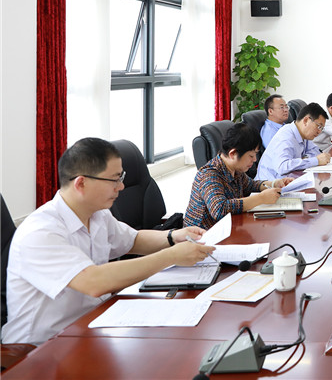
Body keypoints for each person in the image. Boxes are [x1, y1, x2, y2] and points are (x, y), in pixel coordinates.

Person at [1, 138, 214, 345]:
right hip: (40, 348)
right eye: (114, 179)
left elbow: (133, 240)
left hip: (91, 327)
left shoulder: (97, 215)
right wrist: (171, 256)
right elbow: (93, 282)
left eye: (121, 177)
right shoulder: (40, 232)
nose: (121, 187)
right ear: (81, 183)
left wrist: (172, 236)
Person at [184, 123, 287, 229]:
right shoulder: (209, 174)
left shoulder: (235, 169)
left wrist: (274, 184)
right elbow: (219, 209)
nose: (255, 159)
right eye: (251, 155)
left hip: (228, 227)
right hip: (203, 234)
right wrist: (261, 198)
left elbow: (251, 185)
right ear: (232, 154)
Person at [256, 102, 330, 179]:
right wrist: (315, 161)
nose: (319, 131)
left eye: (321, 128)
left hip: (290, 178)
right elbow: (282, 167)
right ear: (306, 120)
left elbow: (315, 151)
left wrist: (305, 159)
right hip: (270, 183)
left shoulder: (304, 135)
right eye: (319, 126)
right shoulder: (286, 136)